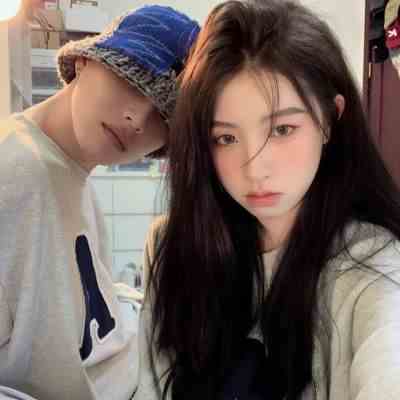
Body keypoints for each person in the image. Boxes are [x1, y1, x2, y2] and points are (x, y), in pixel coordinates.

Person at [136, 1, 400, 399]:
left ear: (329, 119)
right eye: (226, 138)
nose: (255, 169)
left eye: (282, 129)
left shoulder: (372, 267)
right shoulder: (174, 246)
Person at [0, 5, 199, 400]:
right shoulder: (16, 171)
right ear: (85, 61)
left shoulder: (70, 176)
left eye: (163, 117)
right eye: (132, 82)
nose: (138, 120)